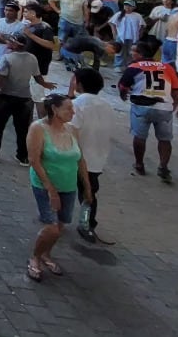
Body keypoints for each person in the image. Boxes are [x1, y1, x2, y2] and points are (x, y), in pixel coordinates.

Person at [24, 94, 92, 282]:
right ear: (54, 109)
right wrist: (50, 189)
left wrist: (86, 186)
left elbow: (80, 159)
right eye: (68, 108)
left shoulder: (71, 129)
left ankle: (47, 253)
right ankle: (36, 257)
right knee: (52, 227)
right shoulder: (38, 128)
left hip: (68, 185)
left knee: (60, 225)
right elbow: (34, 161)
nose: (73, 111)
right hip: (45, 185)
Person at [0, 36, 53, 165]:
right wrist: (45, 84)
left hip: (6, 96)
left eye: (10, 41)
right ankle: (22, 156)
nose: (8, 43)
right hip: (25, 98)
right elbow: (37, 76)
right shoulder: (32, 58)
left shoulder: (7, 58)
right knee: (23, 129)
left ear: (14, 44)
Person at [118, 44, 178, 183]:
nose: (131, 53)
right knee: (165, 139)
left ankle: (139, 164)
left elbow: (123, 86)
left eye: (133, 51)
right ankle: (163, 166)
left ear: (140, 54)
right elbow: (177, 88)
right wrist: (174, 104)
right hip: (164, 107)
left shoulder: (134, 67)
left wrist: (123, 95)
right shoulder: (167, 67)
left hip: (141, 106)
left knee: (139, 137)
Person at [69, 68, 116, 244]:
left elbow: (72, 131)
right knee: (89, 193)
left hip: (77, 157)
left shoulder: (77, 105)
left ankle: (61, 219)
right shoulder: (106, 105)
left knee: (70, 190)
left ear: (79, 84)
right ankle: (87, 223)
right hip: (97, 158)